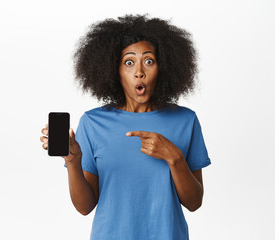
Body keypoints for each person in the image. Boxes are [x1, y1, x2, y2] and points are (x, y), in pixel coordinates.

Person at [40, 13, 211, 240]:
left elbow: (194, 203)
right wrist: (73, 162)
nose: (139, 71)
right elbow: (84, 207)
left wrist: (175, 158)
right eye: (129, 62)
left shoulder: (185, 120)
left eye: (148, 61)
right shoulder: (93, 123)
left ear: (163, 67)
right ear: (115, 71)